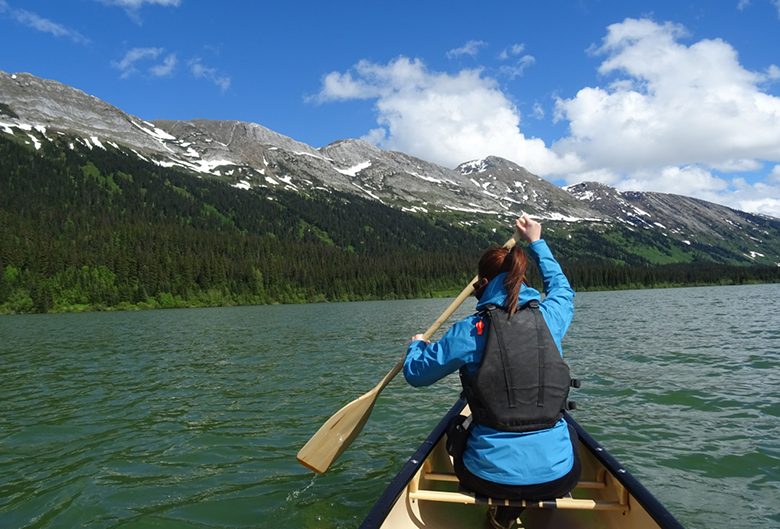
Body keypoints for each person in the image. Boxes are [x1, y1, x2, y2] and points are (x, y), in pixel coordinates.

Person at [403, 214, 580, 529]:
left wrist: (417, 345)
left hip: (487, 479)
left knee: (456, 427)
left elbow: (417, 374)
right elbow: (562, 289)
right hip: (559, 477)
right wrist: (537, 241)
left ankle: (501, 513)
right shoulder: (551, 318)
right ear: (522, 278)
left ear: (482, 285)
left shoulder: (471, 330)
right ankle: (531, 511)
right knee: (568, 431)